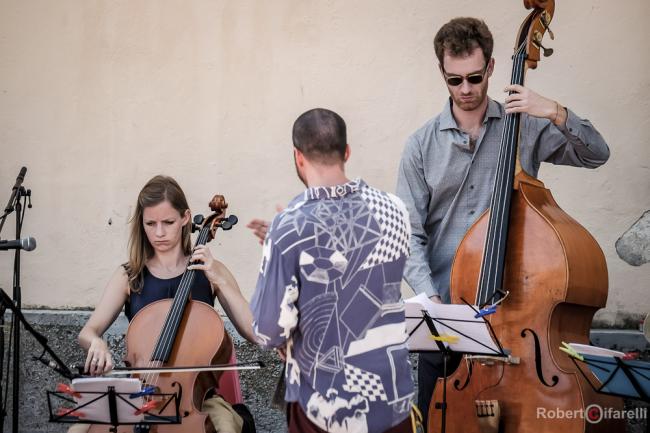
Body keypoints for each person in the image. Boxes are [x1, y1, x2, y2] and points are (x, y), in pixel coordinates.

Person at [395, 17, 611, 430]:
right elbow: (408, 234)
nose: (465, 89)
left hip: (521, 319)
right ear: (442, 73)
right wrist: (430, 297)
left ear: (492, 68)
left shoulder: (525, 126)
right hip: (449, 320)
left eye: (474, 78)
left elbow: (596, 154)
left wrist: (554, 111)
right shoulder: (420, 145)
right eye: (454, 80)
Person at [249, 108, 416, 433]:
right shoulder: (395, 209)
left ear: (298, 157)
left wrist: (286, 246)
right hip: (393, 399)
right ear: (347, 152)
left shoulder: (290, 227)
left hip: (327, 408)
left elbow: (269, 330)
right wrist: (295, 247)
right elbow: (363, 269)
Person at [69, 175, 256, 433]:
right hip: (139, 397)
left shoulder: (211, 271)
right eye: (150, 223)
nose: (159, 232)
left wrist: (219, 280)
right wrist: (96, 342)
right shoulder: (129, 275)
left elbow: (255, 332)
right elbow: (86, 332)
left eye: (168, 222)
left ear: (185, 218)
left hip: (198, 400)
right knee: (79, 430)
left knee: (225, 428)